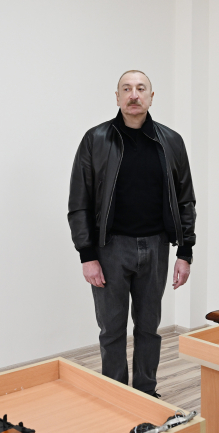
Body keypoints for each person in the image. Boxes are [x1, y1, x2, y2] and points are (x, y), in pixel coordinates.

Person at [68, 70, 195, 397]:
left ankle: (146, 393)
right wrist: (87, 255)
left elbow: (185, 200)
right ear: (117, 97)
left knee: (148, 329)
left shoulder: (171, 142)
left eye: (141, 88)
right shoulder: (96, 140)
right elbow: (79, 203)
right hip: (110, 249)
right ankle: (116, 396)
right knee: (111, 330)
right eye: (127, 89)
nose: (134, 95)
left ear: (151, 97)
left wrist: (185, 252)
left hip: (156, 247)